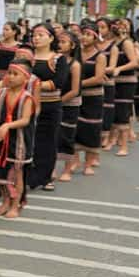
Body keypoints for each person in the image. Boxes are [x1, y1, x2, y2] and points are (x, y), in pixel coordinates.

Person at [0, 59, 35, 218]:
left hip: (18, 141)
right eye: (9, 73)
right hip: (2, 141)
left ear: (26, 78)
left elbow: (25, 120)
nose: (11, 77)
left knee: (17, 174)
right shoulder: (1, 93)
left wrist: (7, 125)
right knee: (2, 172)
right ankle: (5, 201)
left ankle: (16, 204)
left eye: (16, 74)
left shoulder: (27, 97)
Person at [28, 23, 70, 191]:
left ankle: (45, 177)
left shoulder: (58, 59)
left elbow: (57, 83)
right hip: (26, 104)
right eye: (34, 35)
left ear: (51, 38)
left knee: (47, 142)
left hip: (50, 105)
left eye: (41, 35)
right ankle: (24, 175)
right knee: (27, 140)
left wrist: (31, 82)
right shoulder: (26, 56)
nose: (36, 38)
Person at [72, 22, 106, 176]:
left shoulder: (100, 56)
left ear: (95, 37)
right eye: (83, 34)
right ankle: (75, 160)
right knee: (75, 126)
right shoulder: (76, 53)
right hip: (76, 96)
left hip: (93, 97)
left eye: (88, 34)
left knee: (91, 128)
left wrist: (77, 83)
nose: (84, 38)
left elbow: (99, 78)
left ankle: (89, 163)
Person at [109, 18, 139, 157]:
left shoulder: (126, 42)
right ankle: (112, 140)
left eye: (121, 25)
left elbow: (134, 62)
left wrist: (119, 69)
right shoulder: (112, 43)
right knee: (114, 112)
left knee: (123, 113)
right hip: (114, 81)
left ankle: (124, 146)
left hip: (126, 81)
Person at [55, 30, 82, 182]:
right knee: (52, 135)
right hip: (54, 102)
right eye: (59, 41)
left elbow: (75, 90)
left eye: (64, 42)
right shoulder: (55, 60)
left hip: (69, 104)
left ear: (72, 46)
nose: (60, 44)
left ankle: (67, 169)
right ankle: (50, 168)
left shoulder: (75, 64)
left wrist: (59, 101)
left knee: (67, 136)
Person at [97, 19, 117, 151]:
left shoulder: (113, 47)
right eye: (98, 27)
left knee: (107, 109)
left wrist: (99, 71)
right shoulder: (92, 46)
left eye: (103, 27)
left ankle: (106, 136)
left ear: (109, 29)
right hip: (94, 82)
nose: (100, 30)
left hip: (107, 81)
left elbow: (112, 67)